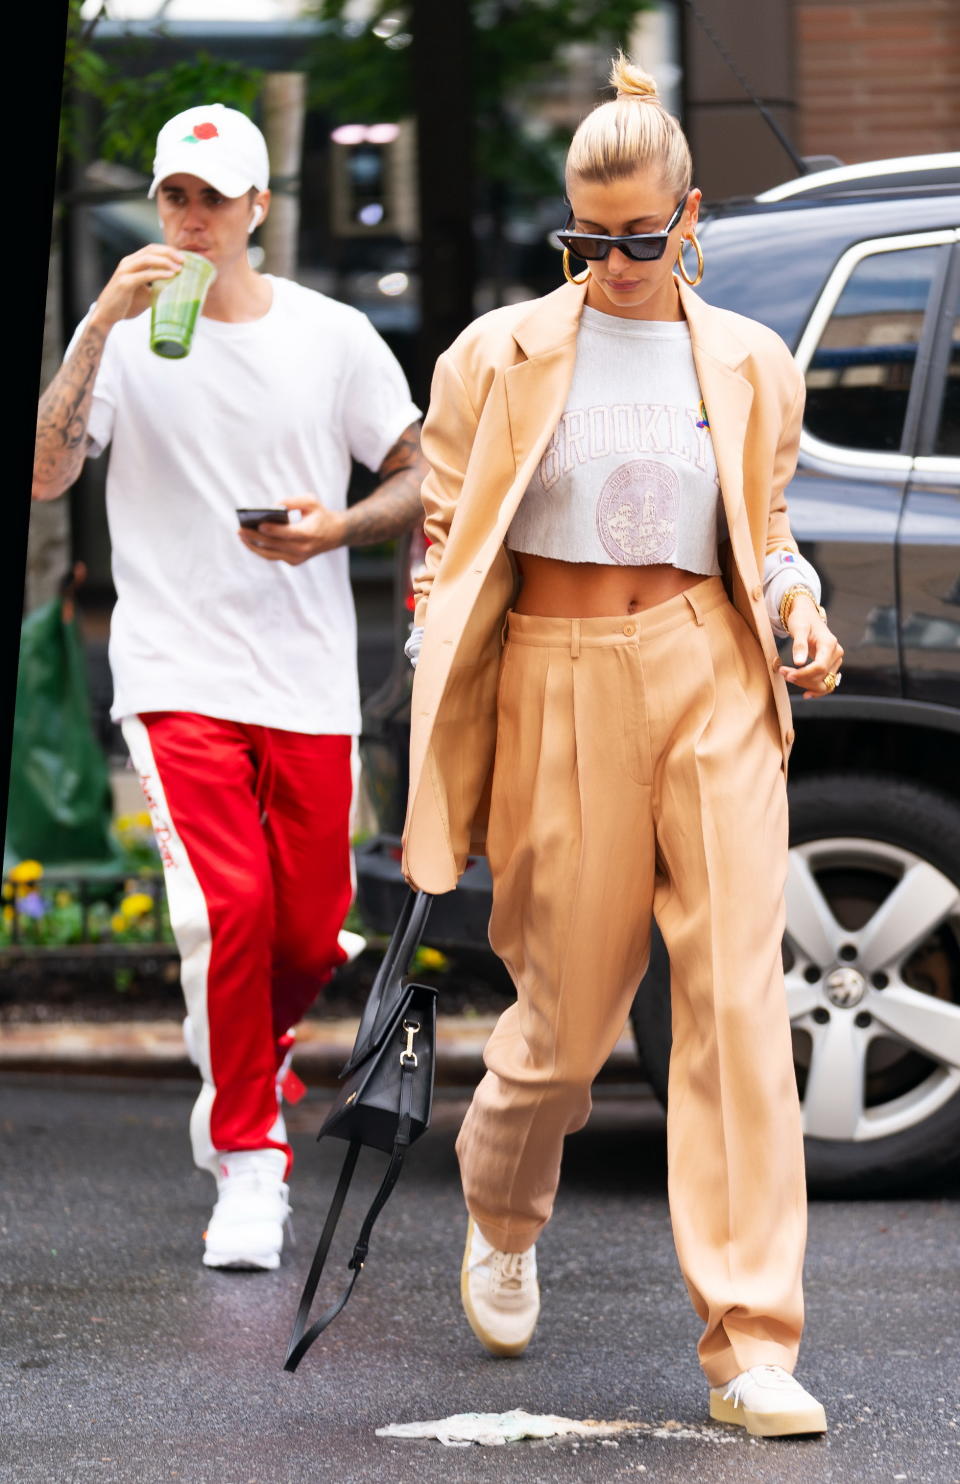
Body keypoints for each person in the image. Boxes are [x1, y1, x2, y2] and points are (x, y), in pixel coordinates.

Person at [401, 56, 843, 1438]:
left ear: (689, 216)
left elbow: (761, 530)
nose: (616, 264)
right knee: (569, 1021)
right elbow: (446, 545)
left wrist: (795, 598)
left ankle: (751, 1339)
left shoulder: (753, 361)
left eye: (642, 239)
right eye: (588, 243)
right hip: (558, 676)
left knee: (734, 1009)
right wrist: (438, 665)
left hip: (712, 667)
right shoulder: (495, 354)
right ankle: (503, 1198)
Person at [33, 103, 426, 1273]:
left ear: (259, 209)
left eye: (214, 199)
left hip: (305, 673)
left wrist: (338, 529)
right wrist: (98, 323)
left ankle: (248, 1061)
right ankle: (248, 1159)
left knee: (306, 923)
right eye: (174, 197)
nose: (191, 220)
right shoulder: (126, 337)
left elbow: (422, 469)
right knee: (227, 912)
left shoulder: (334, 335)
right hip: (175, 666)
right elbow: (50, 474)